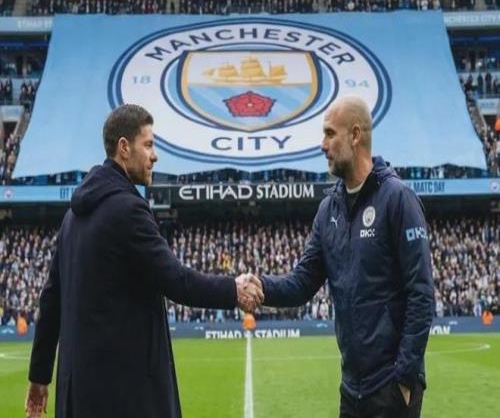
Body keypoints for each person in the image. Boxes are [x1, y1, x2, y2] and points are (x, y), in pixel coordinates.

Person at [25, 104, 263, 418]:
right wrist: (233, 289)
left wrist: (39, 376)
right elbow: (175, 280)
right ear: (124, 148)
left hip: (78, 394)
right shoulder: (128, 210)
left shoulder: (72, 217)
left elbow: (51, 299)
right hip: (124, 394)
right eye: (148, 145)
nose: (155, 156)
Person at [254, 96, 434, 417]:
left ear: (355, 135)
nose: (322, 145)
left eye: (329, 133)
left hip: (391, 386)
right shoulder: (329, 210)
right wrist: (259, 287)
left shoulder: (398, 199)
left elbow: (421, 293)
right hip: (351, 387)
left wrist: (405, 376)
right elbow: (302, 283)